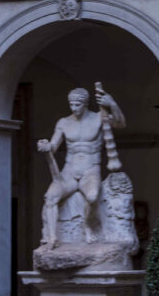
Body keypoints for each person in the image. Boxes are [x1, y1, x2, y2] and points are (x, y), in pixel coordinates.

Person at [37, 83, 125, 248]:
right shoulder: (63, 122)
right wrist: (46, 146)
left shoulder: (99, 117)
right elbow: (54, 146)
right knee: (50, 197)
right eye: (71, 104)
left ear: (85, 104)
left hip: (90, 170)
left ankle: (87, 225)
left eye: (77, 104)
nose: (74, 108)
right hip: (69, 172)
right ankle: (52, 238)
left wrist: (112, 104)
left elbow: (120, 124)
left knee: (91, 197)